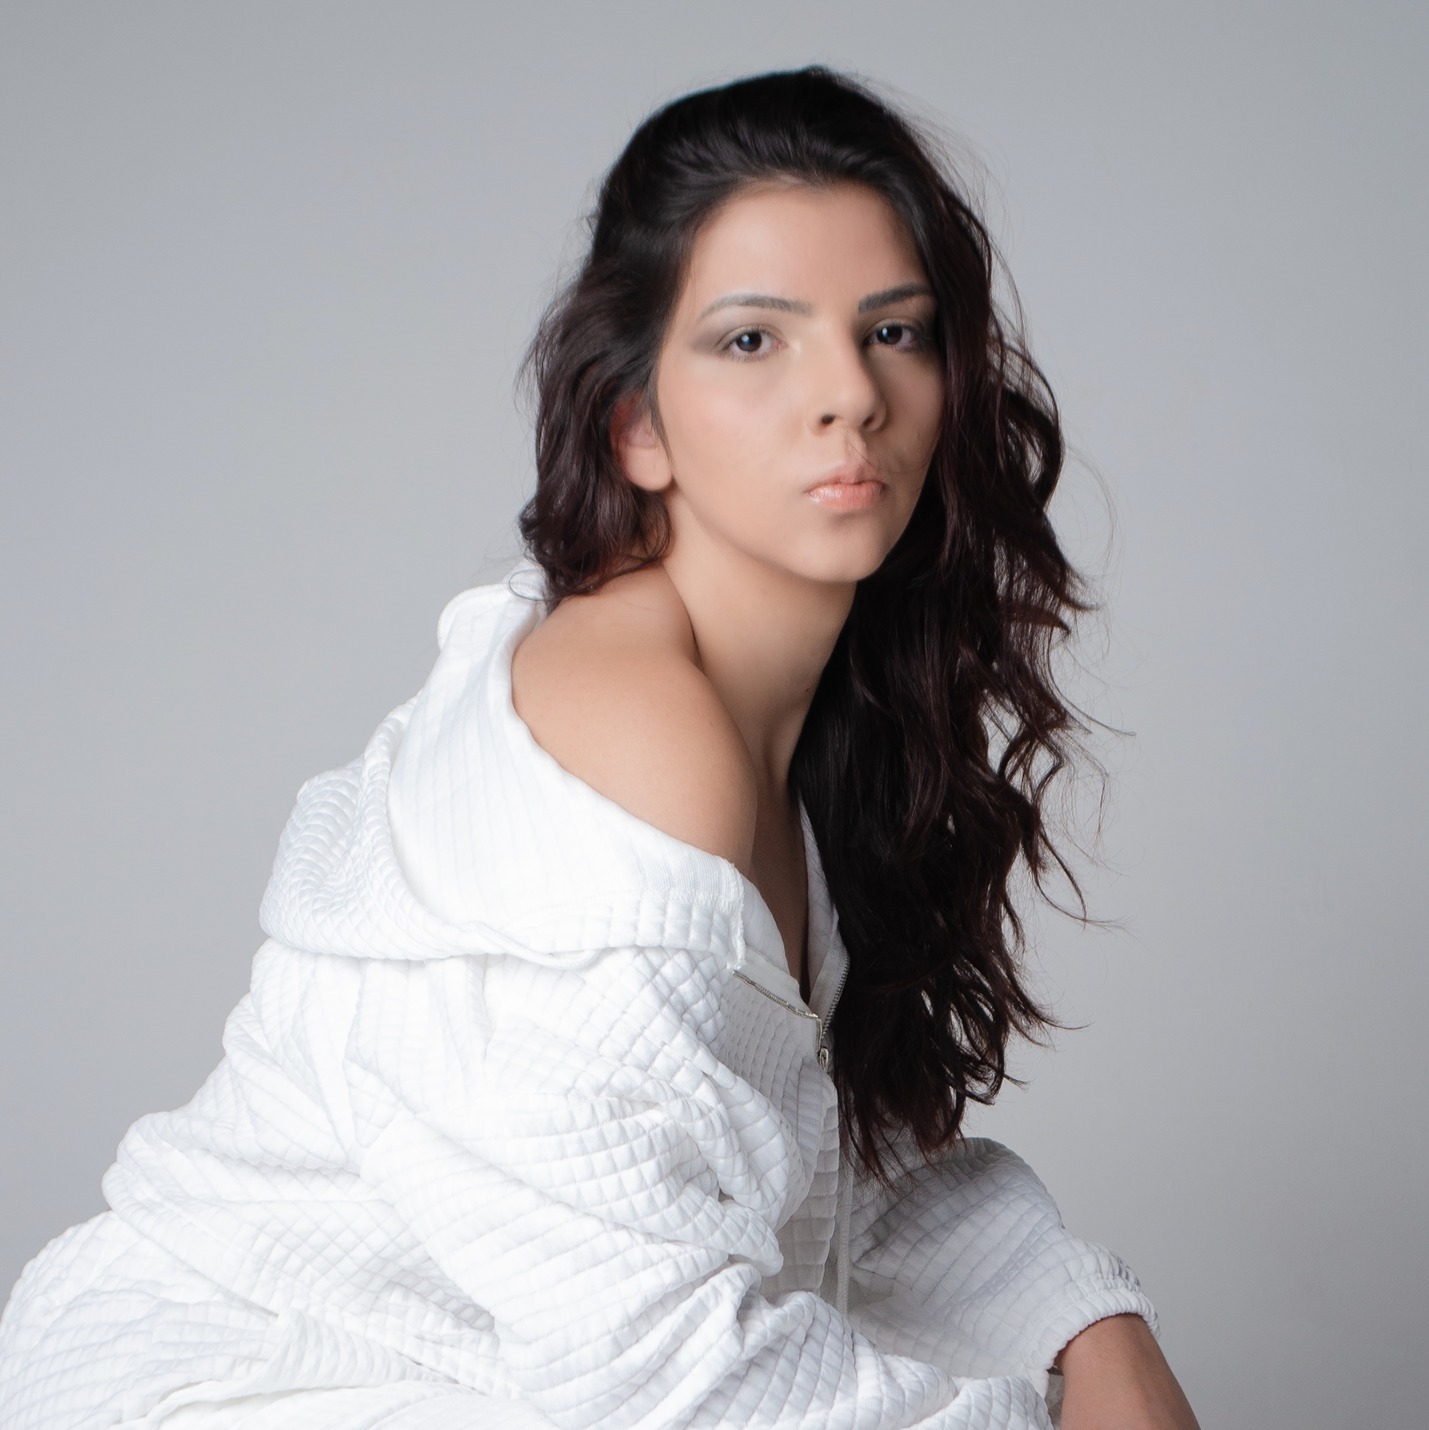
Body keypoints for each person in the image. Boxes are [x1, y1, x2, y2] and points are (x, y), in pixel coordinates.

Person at [0, 66, 1199, 1429]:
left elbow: (824, 1160)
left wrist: (1082, 1315)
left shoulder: (797, 715)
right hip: (243, 1384)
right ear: (636, 427)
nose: (848, 395)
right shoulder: (641, 741)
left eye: (893, 330)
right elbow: (669, 1380)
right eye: (753, 340)